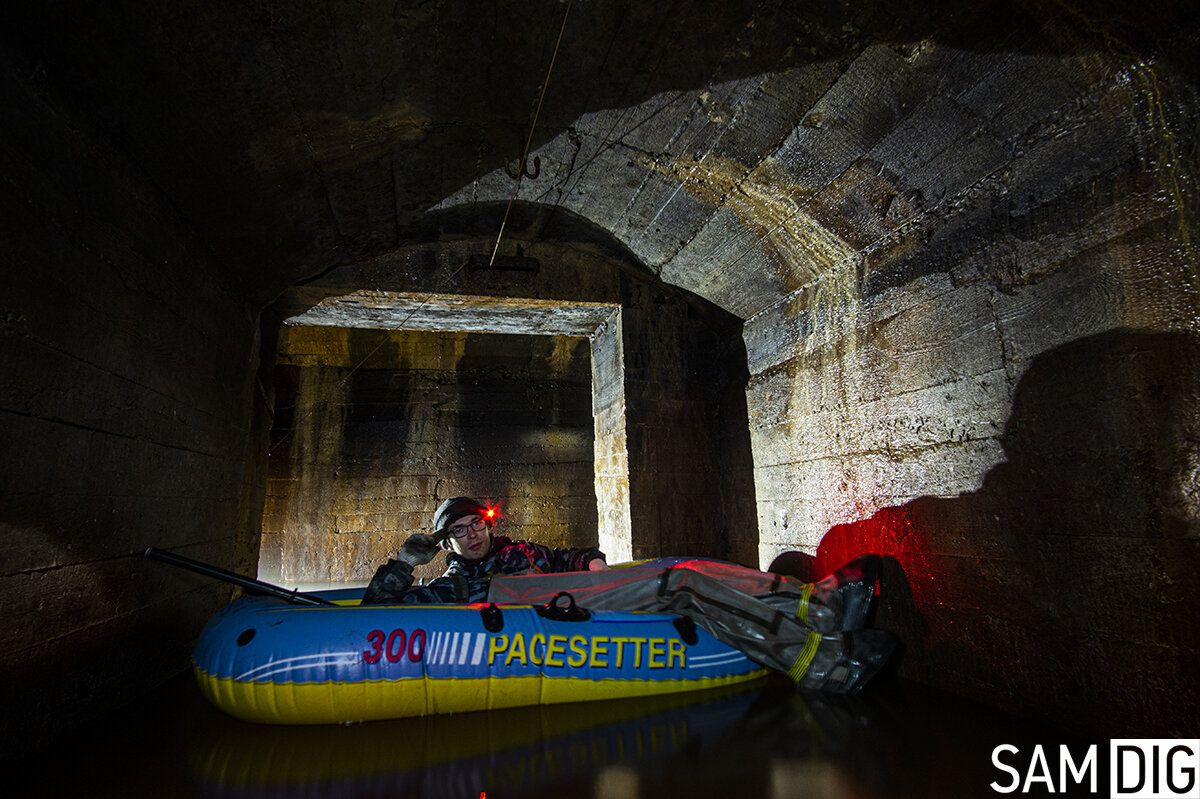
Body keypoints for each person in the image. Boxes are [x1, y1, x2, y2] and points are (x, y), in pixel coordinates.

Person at [362, 496, 608, 605]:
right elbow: (374, 615)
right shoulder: (450, 588)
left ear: (488, 526)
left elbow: (569, 558)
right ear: (448, 544)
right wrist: (405, 563)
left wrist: (595, 562)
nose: (471, 534)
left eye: (476, 523)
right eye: (458, 530)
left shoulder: (525, 553)